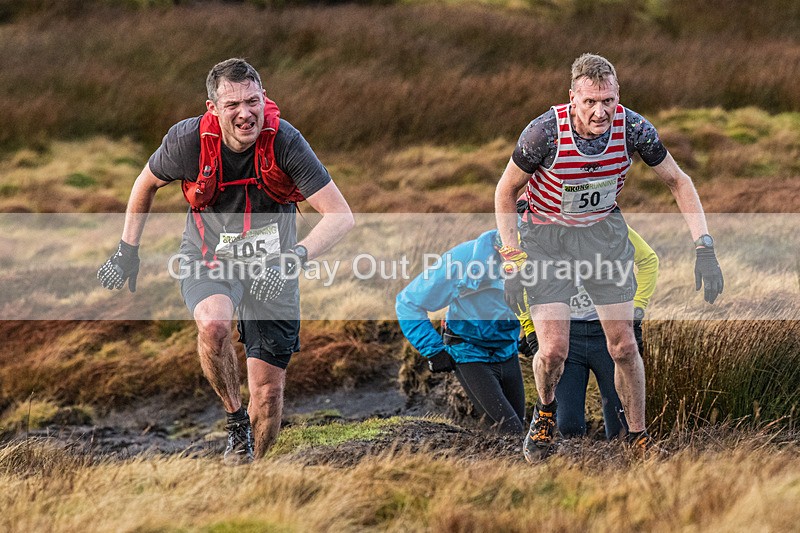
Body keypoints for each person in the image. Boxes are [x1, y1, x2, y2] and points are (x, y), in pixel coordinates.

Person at [97, 58, 354, 464]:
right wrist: (128, 251)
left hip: (273, 266)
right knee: (214, 324)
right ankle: (235, 421)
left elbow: (341, 216)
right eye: (232, 104)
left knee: (268, 396)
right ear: (213, 108)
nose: (245, 113)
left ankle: (250, 473)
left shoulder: (285, 141)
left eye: (253, 101)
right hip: (209, 257)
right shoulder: (188, 141)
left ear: (264, 98)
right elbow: (144, 184)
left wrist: (293, 258)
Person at [494, 53, 723, 461]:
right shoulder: (543, 133)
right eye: (590, 102)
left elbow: (679, 181)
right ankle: (545, 411)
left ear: (617, 97)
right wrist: (512, 260)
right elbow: (505, 191)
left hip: (602, 233)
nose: (600, 112)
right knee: (552, 351)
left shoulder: (634, 128)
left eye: (608, 101)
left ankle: (638, 437)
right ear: (572, 99)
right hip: (546, 238)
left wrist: (704, 246)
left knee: (622, 346)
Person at [517, 225, 659, 441]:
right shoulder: (530, 231)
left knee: (621, 426)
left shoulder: (606, 223)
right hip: (565, 336)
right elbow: (520, 283)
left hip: (606, 334)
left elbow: (648, 260)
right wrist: (531, 329)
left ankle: (629, 464)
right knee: (569, 427)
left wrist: (636, 313)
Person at [396, 230, 526, 434]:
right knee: (511, 431)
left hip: (508, 350)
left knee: (520, 430)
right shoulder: (461, 261)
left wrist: (531, 331)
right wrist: (434, 350)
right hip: (469, 353)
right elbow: (407, 303)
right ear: (499, 247)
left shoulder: (540, 252)